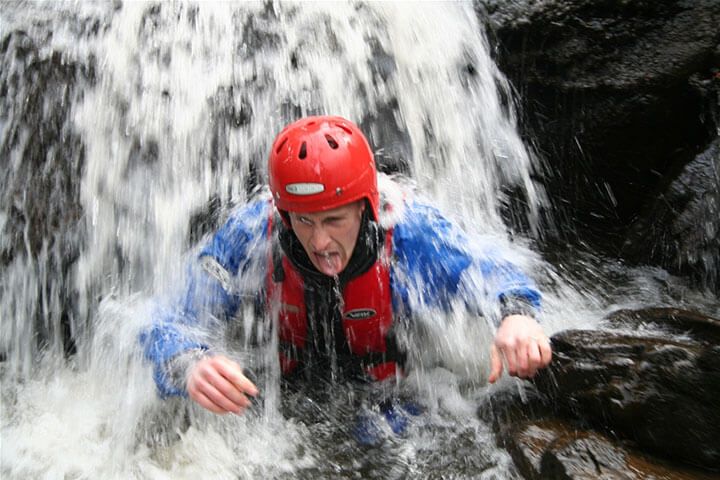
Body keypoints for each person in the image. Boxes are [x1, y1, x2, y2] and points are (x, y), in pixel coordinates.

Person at [141, 115, 552, 416]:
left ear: (366, 207)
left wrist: (517, 314)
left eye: (334, 220)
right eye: (304, 221)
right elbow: (164, 315)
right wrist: (188, 362)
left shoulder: (411, 233)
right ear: (285, 214)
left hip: (394, 396)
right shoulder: (253, 234)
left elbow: (490, 269)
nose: (319, 241)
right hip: (280, 395)